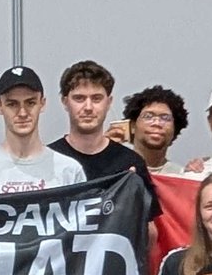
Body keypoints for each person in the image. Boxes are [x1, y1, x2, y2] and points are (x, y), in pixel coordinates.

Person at [48, 61, 160, 218]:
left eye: (96, 98)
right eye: (79, 98)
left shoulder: (131, 163)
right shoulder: (47, 160)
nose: (88, 107)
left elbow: (149, 227)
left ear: (109, 102)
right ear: (65, 102)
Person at [0, 67, 87, 194]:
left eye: (30, 103)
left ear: (42, 103)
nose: (22, 113)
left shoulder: (69, 171)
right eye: (12, 104)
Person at [120, 85, 188, 175]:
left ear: (175, 129)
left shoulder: (182, 176)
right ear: (132, 125)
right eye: (148, 116)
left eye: (165, 118)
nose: (157, 123)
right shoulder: (115, 169)